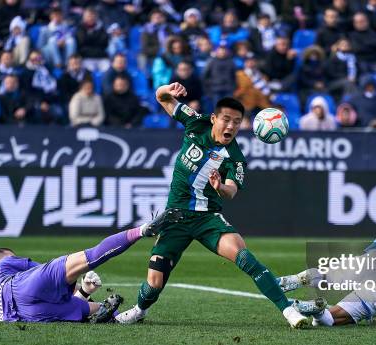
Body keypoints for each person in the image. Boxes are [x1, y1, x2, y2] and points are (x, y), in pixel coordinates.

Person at [115, 82, 311, 328]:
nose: (231, 126)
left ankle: (289, 312)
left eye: (237, 122)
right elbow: (161, 98)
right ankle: (139, 310)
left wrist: (220, 187)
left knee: (244, 257)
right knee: (155, 281)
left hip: (207, 218)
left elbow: (231, 191)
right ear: (213, 118)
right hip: (175, 217)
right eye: (226, 119)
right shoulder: (195, 122)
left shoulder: (235, 158)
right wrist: (168, 89)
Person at [0, 218, 176, 323]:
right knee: (91, 257)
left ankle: (119, 319)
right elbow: (46, 275)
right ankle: (141, 230)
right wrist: (74, 280)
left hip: (26, 314)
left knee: (100, 310)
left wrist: (83, 291)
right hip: (20, 288)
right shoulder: (2, 265)